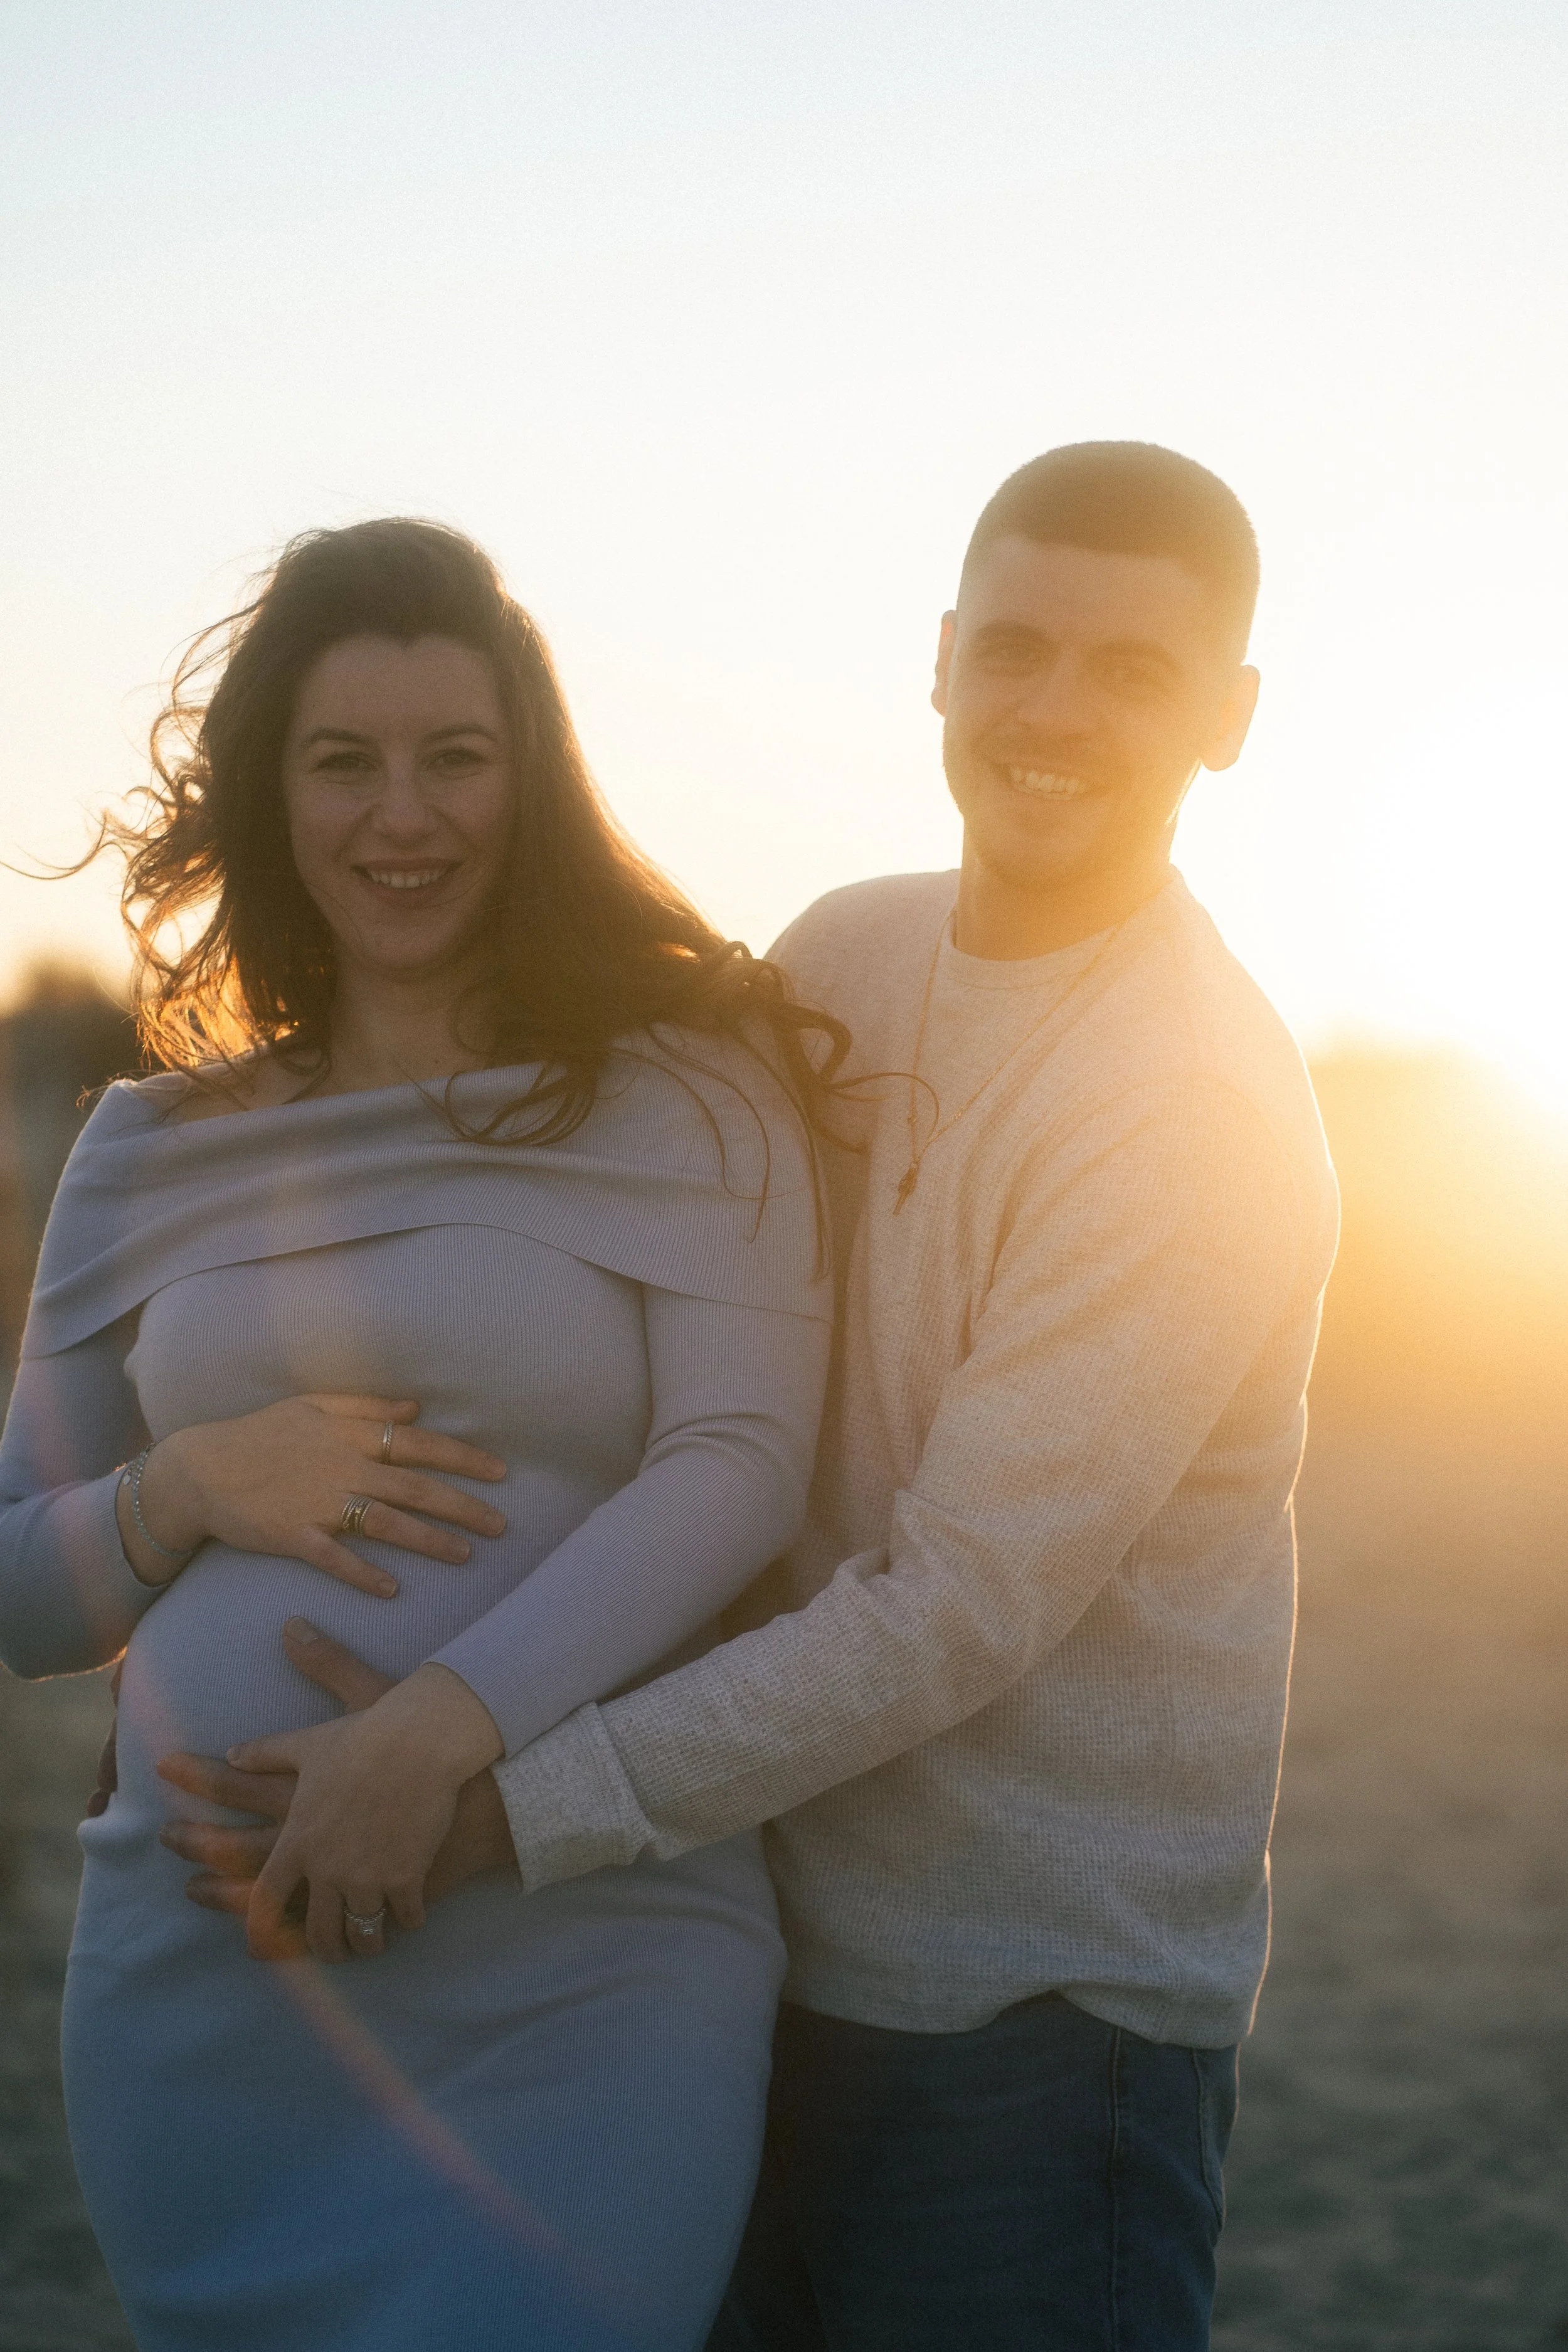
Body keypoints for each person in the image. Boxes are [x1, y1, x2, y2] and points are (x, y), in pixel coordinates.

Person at [166, 442, 1340, 2349]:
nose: (1052, 710)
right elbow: (627, 1354)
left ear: (1230, 717)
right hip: (739, 1947)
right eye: (1014, 647)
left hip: (1031, 2031)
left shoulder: (1193, 1104)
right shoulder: (842, 953)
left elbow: (952, 1607)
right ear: (939, 659)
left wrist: (477, 1805)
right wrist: (211, 1626)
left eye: (1130, 670)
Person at [0, 517, 845, 2351]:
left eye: (455, 757)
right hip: (218, 1992)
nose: (404, 815)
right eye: (343, 761)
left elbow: (735, 1468)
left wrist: (424, 1738)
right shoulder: (148, 1148)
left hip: (589, 1950)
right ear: (270, 792)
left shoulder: (690, 1090)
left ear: (530, 783)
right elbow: (25, 1597)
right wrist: (184, 1483)